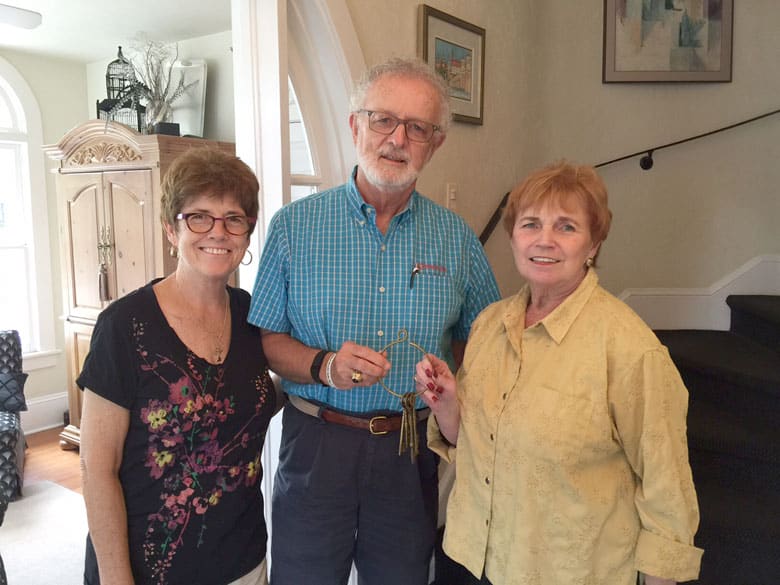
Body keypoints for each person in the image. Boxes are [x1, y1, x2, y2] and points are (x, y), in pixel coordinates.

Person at [248, 57, 500, 585]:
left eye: (417, 128)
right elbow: (267, 338)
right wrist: (325, 366)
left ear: (435, 144)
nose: (397, 139)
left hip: (411, 451)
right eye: (383, 119)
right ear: (355, 126)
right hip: (316, 444)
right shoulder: (294, 227)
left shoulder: (457, 241)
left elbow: (485, 348)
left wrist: (455, 396)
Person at [414, 161, 703, 585]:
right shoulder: (489, 325)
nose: (544, 239)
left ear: (593, 243)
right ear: (514, 237)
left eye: (566, 227)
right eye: (531, 224)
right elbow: (471, 444)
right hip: (472, 558)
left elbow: (667, 489)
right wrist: (448, 404)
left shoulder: (630, 350)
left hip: (567, 571)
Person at [79, 148, 277, 585]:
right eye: (199, 217)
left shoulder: (251, 315)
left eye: (234, 219)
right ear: (172, 228)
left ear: (247, 234)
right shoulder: (124, 326)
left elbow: (248, 397)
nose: (218, 231)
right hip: (149, 570)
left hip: (244, 561)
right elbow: (97, 468)